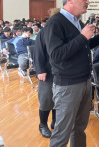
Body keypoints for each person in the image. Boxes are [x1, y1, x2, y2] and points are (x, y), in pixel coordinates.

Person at [44, 0, 99, 147]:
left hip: (84, 81)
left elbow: (82, 45)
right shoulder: (55, 23)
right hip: (68, 85)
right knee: (62, 133)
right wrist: (82, 36)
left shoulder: (76, 21)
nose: (87, 2)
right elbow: (56, 55)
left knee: (79, 128)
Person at [33, 8, 60, 138]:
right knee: (46, 98)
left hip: (60, 72)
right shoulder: (43, 32)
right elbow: (38, 52)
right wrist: (41, 70)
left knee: (57, 97)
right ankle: (42, 124)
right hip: (47, 72)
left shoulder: (61, 31)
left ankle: (55, 121)